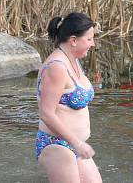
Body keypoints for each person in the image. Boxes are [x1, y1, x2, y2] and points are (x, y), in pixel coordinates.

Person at [35, 12, 101, 182]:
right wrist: (77, 144)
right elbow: (46, 113)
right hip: (56, 143)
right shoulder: (56, 67)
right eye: (89, 39)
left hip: (76, 144)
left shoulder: (74, 60)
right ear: (73, 40)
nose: (93, 44)